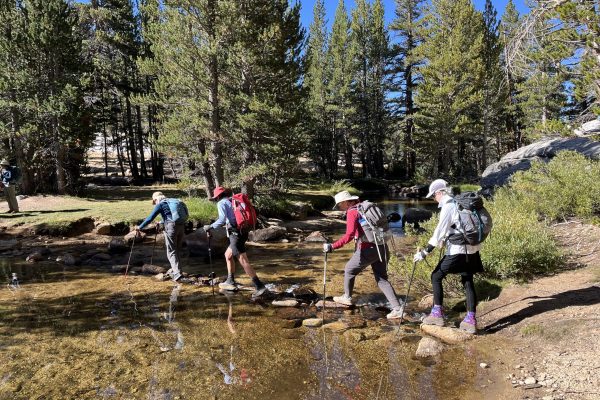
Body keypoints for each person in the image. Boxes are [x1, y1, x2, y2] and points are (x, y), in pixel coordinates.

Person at [413, 179, 484, 334]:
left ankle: (437, 314)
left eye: (433, 196)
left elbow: (439, 231)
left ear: (440, 192)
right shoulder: (459, 203)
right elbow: (455, 227)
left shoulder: (448, 205)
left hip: (458, 249)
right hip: (473, 247)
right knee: (467, 279)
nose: (433, 199)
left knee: (436, 276)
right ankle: (471, 320)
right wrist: (445, 239)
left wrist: (425, 252)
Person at [323, 191, 404, 319]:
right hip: (382, 246)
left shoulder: (352, 212)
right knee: (382, 279)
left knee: (349, 269)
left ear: (345, 202)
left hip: (368, 249)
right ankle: (398, 309)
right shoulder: (365, 207)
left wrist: (332, 246)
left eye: (339, 205)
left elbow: (349, 235)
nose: (339, 207)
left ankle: (347, 297)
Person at [203, 186, 267, 298]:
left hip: (235, 234)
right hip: (243, 231)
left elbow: (222, 220)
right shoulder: (233, 200)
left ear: (217, 196)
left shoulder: (221, 203)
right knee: (228, 255)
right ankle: (230, 280)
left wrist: (210, 227)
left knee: (242, 259)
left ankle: (259, 286)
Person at [137, 191, 188, 282]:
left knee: (171, 251)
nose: (154, 203)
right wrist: (160, 222)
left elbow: (150, 218)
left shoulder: (160, 204)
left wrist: (140, 227)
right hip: (181, 226)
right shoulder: (172, 201)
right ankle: (177, 270)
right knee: (177, 249)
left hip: (171, 228)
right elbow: (169, 215)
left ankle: (177, 274)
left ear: (156, 199)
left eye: (154, 201)